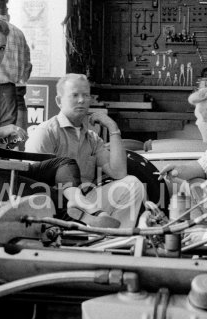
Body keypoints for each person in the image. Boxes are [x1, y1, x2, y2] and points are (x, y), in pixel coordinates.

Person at [0, 18, 118, 228]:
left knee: (64, 163)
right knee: (51, 197)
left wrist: (6, 139)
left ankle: (86, 207)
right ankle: (86, 223)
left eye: (2, 48)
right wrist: (2, 130)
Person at [25, 74, 145, 228]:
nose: (81, 100)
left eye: (86, 95)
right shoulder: (46, 133)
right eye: (74, 95)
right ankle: (95, 235)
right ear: (59, 101)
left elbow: (119, 173)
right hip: (57, 204)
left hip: (88, 201)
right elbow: (32, 182)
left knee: (132, 184)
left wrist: (113, 128)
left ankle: (114, 242)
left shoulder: (92, 138)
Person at [0, 0, 32, 131]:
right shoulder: (18, 33)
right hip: (17, 95)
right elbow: (27, 68)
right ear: (6, 9)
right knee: (15, 145)